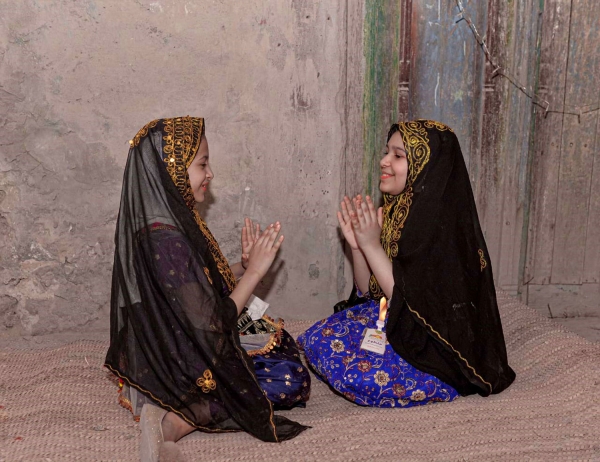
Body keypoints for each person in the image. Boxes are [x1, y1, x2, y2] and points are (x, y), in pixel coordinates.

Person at [104, 116, 310, 461]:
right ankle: (179, 418)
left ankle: (175, 408)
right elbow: (213, 320)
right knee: (286, 376)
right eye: (202, 164)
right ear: (172, 170)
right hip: (180, 357)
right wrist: (255, 273)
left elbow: (194, 288)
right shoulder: (168, 240)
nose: (210, 173)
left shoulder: (165, 226)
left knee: (274, 336)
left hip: (164, 342)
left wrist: (243, 266)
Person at [298, 119, 515, 408]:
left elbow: (413, 306)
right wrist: (358, 248)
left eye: (398, 156)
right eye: (387, 152)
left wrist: (372, 246)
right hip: (396, 322)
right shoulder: (399, 208)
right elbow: (373, 293)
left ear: (427, 166)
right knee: (319, 338)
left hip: (436, 349)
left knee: (358, 374)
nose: (384, 161)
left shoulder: (442, 229)